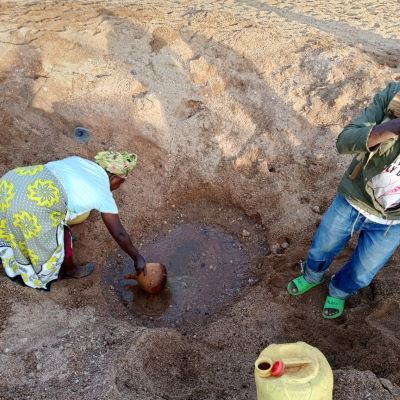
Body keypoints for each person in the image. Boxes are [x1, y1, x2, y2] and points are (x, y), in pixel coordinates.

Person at [287, 81, 400, 319]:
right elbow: (345, 141)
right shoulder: (394, 96)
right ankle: (312, 276)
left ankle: (338, 291)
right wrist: (390, 128)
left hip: (393, 222)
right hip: (353, 199)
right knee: (322, 246)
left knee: (363, 272)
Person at [0, 150, 146, 290]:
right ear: (115, 177)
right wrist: (137, 257)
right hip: (34, 204)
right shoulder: (103, 193)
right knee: (62, 237)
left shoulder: (80, 161)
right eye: (121, 182)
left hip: (11, 181)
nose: (119, 186)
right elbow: (119, 233)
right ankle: (70, 270)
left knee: (10, 215)